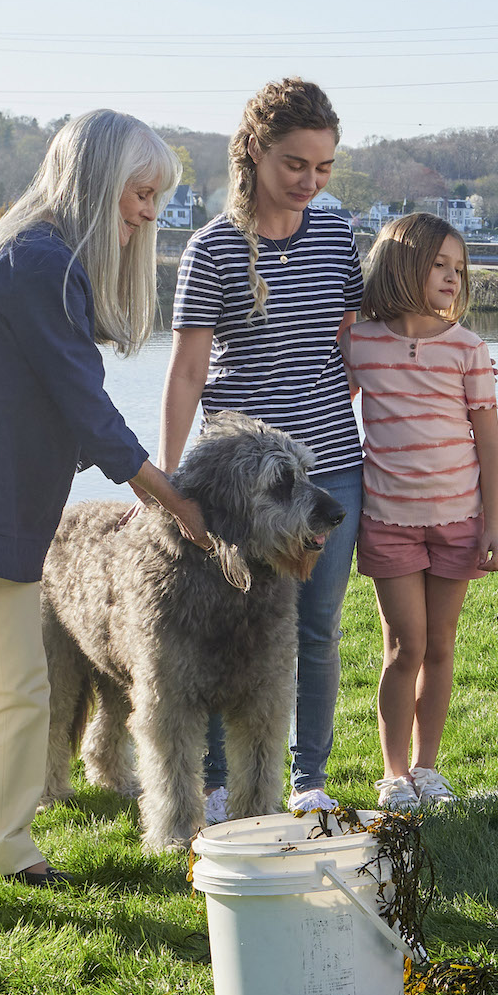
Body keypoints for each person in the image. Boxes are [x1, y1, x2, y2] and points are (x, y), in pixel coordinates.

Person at [0, 110, 213, 938]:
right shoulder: (34, 263)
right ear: (96, 184)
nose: (148, 212)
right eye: (139, 192)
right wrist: (175, 501)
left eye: (156, 196)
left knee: (24, 687)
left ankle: (11, 845)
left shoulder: (55, 264)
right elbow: (89, 413)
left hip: (7, 512)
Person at [162, 78, 366, 816]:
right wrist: (168, 482)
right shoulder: (212, 249)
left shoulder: (339, 238)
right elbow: (187, 370)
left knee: (316, 627)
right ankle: (215, 784)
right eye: (295, 165)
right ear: (254, 152)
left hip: (332, 468)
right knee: (223, 629)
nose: (310, 182)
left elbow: (350, 344)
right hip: (240, 487)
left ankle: (307, 778)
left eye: (324, 169)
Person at [341, 213, 498, 811]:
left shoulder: (468, 349)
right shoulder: (360, 342)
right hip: (387, 520)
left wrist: (493, 524)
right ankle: (393, 773)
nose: (452, 277)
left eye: (459, 268)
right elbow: (333, 413)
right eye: (439, 264)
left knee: (440, 646)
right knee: (403, 647)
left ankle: (427, 767)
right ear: (402, 266)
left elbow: (489, 441)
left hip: (457, 519)